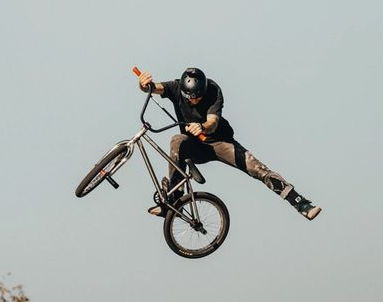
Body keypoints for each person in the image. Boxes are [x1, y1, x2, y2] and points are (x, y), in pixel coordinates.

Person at [138, 67, 321, 220]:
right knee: (177, 141)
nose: (193, 100)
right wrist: (144, 85)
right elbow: (155, 88)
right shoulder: (176, 87)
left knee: (256, 167)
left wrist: (202, 127)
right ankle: (173, 201)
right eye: (189, 97)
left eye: (197, 97)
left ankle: (301, 203)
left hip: (220, 143)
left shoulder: (213, 91)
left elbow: (212, 122)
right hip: (195, 147)